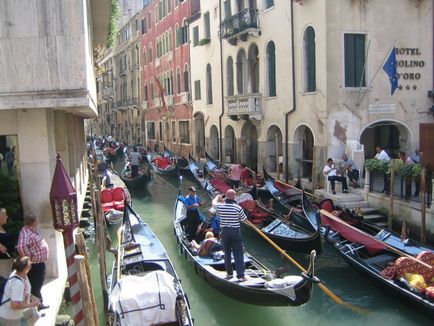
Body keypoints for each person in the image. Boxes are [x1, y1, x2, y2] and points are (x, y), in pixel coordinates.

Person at [17, 213, 49, 311]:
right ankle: (37, 306)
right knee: (36, 285)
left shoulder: (31, 230)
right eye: (36, 220)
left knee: (37, 284)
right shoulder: (26, 232)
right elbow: (21, 246)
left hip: (39, 263)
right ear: (33, 221)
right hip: (34, 265)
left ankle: (39, 303)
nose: (37, 221)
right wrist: (29, 259)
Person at [215, 189, 248, 282]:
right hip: (235, 232)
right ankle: (241, 276)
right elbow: (244, 220)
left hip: (224, 232)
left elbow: (214, 203)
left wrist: (217, 197)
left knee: (227, 253)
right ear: (234, 197)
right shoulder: (238, 208)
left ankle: (229, 274)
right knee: (238, 253)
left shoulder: (220, 206)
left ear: (226, 196)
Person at [0, 256, 41, 325]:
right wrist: (32, 304)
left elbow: (25, 291)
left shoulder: (21, 275)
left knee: (35, 315)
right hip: (10, 317)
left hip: (18, 313)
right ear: (25, 269)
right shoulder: (18, 284)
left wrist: (32, 297)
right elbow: (14, 305)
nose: (31, 262)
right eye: (29, 262)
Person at [0, 208, 15, 277]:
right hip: (1, 261)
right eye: (5, 214)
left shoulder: (2, 228)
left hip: (7, 260)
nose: (7, 216)